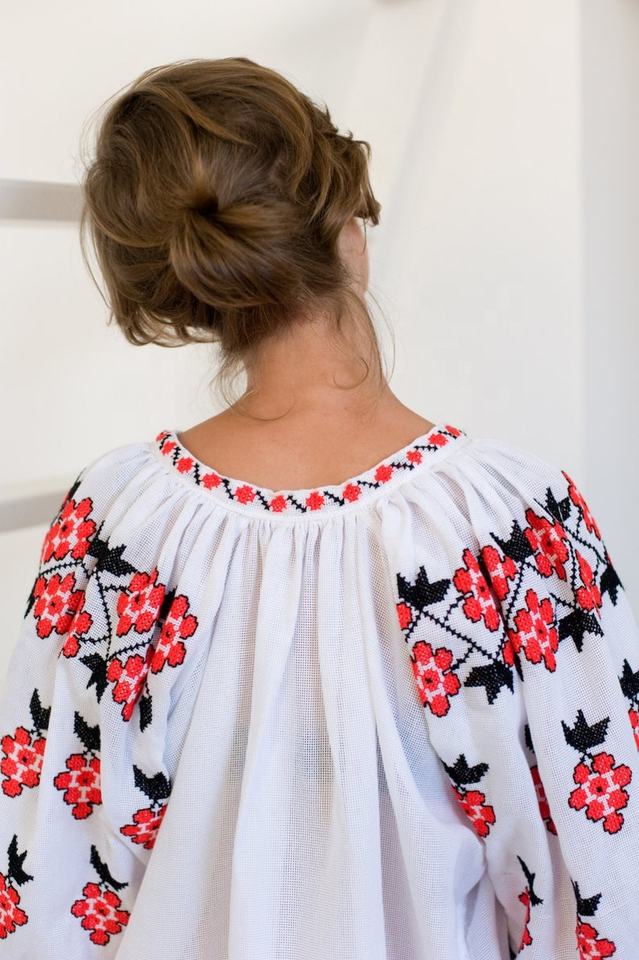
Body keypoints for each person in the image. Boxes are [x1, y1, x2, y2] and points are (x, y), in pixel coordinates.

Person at [1, 56, 638, 960]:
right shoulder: (517, 525)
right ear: (347, 228)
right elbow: (600, 880)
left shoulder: (117, 523)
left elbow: (47, 877)